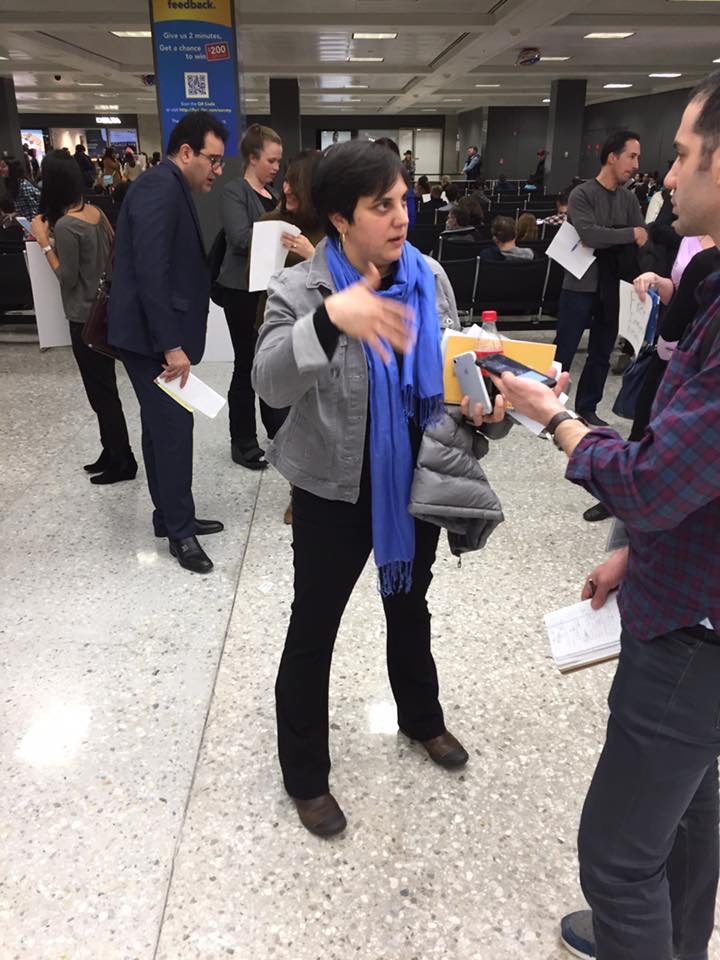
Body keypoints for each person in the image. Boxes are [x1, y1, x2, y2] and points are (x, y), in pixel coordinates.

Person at [476, 72, 720, 960]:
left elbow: (654, 481)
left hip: (693, 638)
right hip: (688, 589)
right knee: (687, 812)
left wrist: (559, 421)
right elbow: (696, 480)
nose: (669, 178)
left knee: (618, 861)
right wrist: (641, 553)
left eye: (684, 157)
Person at [252, 139, 508, 838]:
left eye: (404, 201)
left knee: (409, 606)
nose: (402, 217)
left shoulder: (429, 276)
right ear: (340, 218)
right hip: (331, 489)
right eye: (381, 206)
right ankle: (305, 774)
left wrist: (484, 406)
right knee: (314, 627)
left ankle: (421, 718)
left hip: (412, 479)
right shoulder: (302, 290)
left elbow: (453, 378)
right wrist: (332, 320)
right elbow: (269, 382)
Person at [108, 110, 229, 574]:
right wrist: (171, 345)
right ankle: (180, 532)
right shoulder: (160, 188)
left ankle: (170, 516)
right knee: (175, 429)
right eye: (213, 160)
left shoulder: (169, 186)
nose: (217, 170)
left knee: (162, 428)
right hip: (151, 340)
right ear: (186, 152)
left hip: (151, 336)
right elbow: (151, 272)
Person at [29, 150, 136, 484]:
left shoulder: (65, 225)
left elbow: (67, 277)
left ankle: (123, 459)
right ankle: (112, 450)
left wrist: (44, 243)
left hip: (83, 319)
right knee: (105, 390)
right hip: (105, 313)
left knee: (101, 394)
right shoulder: (96, 213)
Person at [554, 130, 648, 427]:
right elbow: (589, 234)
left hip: (613, 286)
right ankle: (549, 405)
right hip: (579, 284)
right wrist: (626, 233)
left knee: (601, 352)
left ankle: (587, 406)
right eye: (631, 156)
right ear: (612, 157)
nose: (636, 164)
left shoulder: (629, 199)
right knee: (564, 349)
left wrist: (616, 235)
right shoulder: (582, 194)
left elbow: (643, 237)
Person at [216, 123, 282, 470]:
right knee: (246, 364)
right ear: (253, 158)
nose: (276, 167)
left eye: (278, 161)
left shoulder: (274, 194)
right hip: (241, 291)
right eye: (271, 160)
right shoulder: (234, 192)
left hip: (270, 290)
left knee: (271, 361)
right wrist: (283, 236)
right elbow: (240, 238)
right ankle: (242, 440)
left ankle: (277, 429)